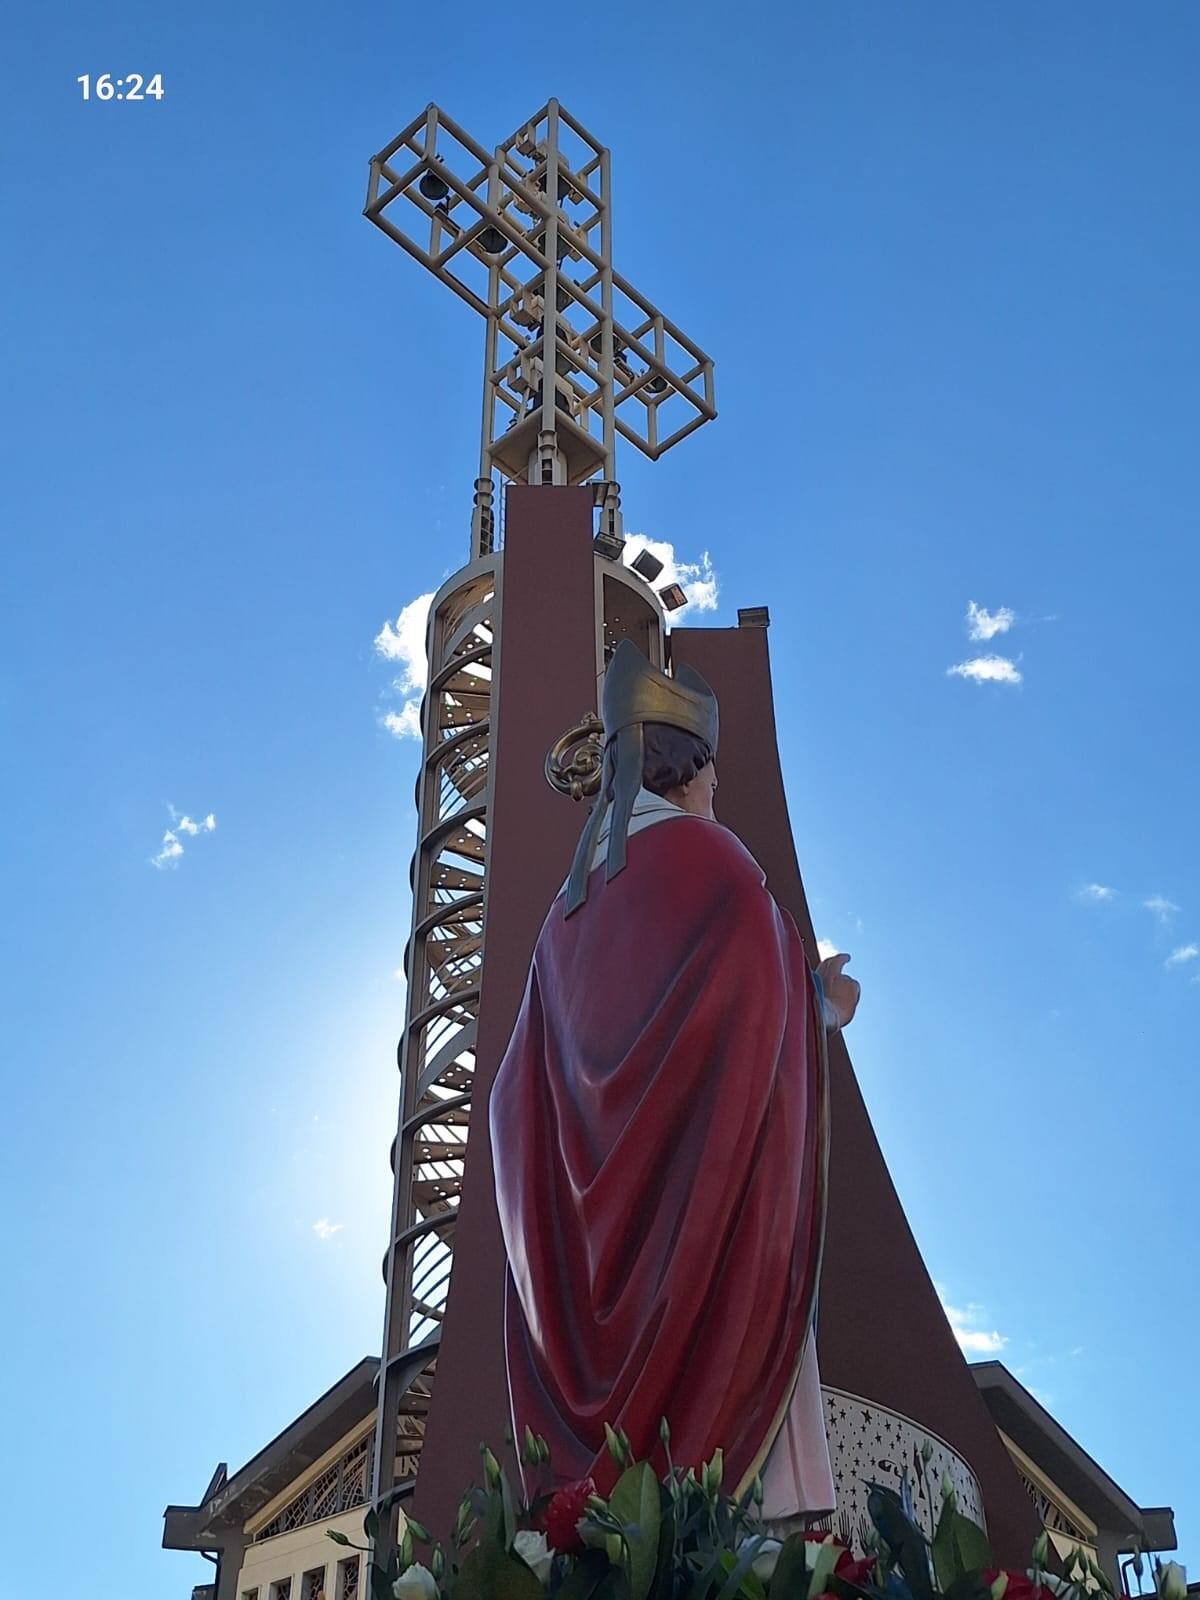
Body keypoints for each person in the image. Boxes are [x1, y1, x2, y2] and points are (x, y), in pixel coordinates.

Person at [490, 640, 860, 1528]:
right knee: (745, 1518)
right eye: (712, 773)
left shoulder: (564, 915)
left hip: (590, 1269)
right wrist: (822, 996)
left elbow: (514, 1096)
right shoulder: (714, 862)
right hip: (705, 1231)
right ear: (684, 765)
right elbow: (754, 998)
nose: (717, 791)